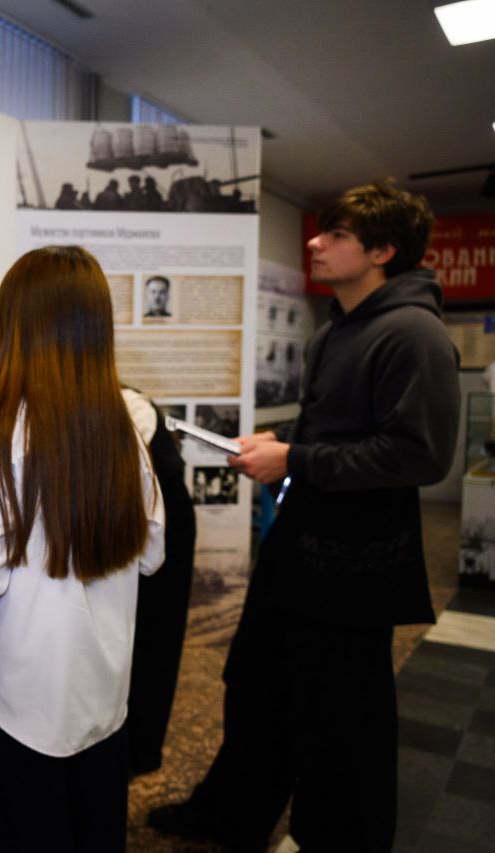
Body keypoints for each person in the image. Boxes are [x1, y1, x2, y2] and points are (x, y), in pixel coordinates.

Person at [148, 180, 460, 851]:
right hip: (303, 551)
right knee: (259, 688)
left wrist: (295, 459)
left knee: (343, 722)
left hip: (354, 566)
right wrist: (281, 447)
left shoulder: (413, 333)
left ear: (383, 249)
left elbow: (418, 455)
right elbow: (338, 434)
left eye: (338, 234)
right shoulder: (338, 331)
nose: (316, 242)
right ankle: (229, 812)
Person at [0, 246, 165, 850]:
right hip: (102, 696)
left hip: (19, 699)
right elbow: (152, 550)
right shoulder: (120, 421)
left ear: (13, 325)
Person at [123, 389, 196, 776]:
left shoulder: (128, 406)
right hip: (144, 526)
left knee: (154, 640)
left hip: (162, 529)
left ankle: (141, 749)